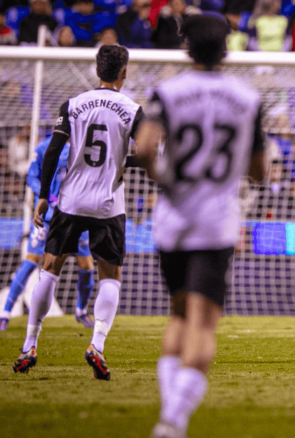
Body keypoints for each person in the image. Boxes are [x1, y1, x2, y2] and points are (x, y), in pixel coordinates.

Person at [133, 14, 266, 438]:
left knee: (177, 315)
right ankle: (173, 419)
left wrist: (167, 179)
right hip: (215, 223)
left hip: (172, 220)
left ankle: (171, 414)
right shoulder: (248, 99)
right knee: (203, 323)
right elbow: (260, 172)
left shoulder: (167, 93)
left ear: (186, 47)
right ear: (227, 48)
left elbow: (144, 149)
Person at [12, 45, 143, 381]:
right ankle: (96, 345)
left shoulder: (72, 105)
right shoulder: (132, 110)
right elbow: (148, 153)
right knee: (110, 276)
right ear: (123, 72)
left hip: (70, 201)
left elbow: (54, 150)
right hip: (108, 205)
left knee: (50, 267)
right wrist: (125, 162)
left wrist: (43, 196)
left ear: (96, 70)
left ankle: (29, 344)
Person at [0, 137, 96, 332]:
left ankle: (81, 311)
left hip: (76, 215)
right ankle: (6, 313)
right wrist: (48, 197)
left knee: (86, 265)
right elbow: (31, 177)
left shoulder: (84, 147)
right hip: (48, 216)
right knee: (31, 261)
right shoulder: (45, 146)